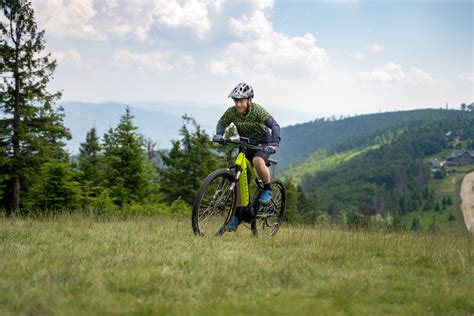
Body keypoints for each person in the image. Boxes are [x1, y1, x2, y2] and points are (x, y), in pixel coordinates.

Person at [213, 82, 281, 231]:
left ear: (249, 100)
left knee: (257, 161)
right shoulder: (232, 112)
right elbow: (222, 122)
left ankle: (267, 188)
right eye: (236, 101)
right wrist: (219, 134)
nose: (238, 104)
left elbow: (275, 126)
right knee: (238, 179)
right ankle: (237, 216)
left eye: (241, 100)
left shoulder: (258, 111)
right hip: (245, 145)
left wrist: (274, 144)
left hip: (263, 144)